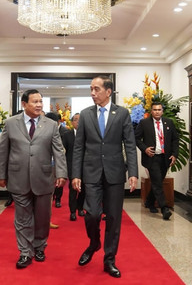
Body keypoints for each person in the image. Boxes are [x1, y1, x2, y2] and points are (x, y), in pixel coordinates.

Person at [71, 76, 138, 278]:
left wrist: (133, 172)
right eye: (91, 89)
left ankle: (109, 259)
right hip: (90, 172)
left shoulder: (122, 113)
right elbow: (79, 147)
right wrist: (76, 174)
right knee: (91, 213)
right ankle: (94, 242)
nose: (92, 93)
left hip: (115, 173)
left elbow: (130, 145)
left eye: (96, 89)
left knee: (114, 218)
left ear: (108, 91)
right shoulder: (85, 114)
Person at [0, 89, 67, 269]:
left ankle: (39, 246)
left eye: (40, 102)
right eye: (34, 102)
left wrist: (61, 173)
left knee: (43, 217)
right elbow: (3, 150)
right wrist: (0, 175)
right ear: (24, 104)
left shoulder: (50, 125)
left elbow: (58, 151)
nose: (39, 105)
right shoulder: (11, 123)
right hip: (18, 178)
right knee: (22, 218)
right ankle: (25, 252)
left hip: (43, 178)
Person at [134, 102, 179, 220]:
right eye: (155, 110)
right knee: (158, 182)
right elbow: (136, 138)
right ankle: (164, 208)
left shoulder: (168, 123)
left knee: (158, 181)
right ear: (151, 111)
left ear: (162, 111)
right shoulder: (144, 123)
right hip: (151, 157)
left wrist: (175, 154)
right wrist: (145, 149)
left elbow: (175, 139)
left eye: (159, 109)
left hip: (165, 158)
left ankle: (149, 201)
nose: (157, 112)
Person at [61, 113, 85, 221]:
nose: (78, 122)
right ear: (72, 122)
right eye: (76, 120)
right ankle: (72, 211)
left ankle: (80, 208)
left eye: (80, 120)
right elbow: (62, 151)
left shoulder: (88, 135)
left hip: (85, 166)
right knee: (73, 190)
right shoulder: (67, 135)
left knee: (83, 189)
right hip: (71, 166)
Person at [45, 112, 67, 208]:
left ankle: (57, 199)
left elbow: (63, 149)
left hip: (56, 162)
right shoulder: (42, 131)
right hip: (44, 164)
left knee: (57, 184)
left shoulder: (64, 131)